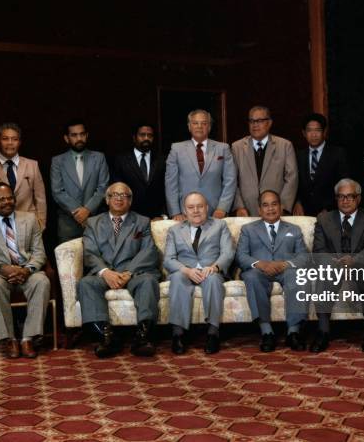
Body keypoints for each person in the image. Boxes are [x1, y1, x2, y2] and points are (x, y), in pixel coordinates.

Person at [77, 182, 160, 358]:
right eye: (115, 195)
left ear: (130, 201)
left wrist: (128, 272)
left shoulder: (142, 221)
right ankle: (107, 338)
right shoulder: (93, 223)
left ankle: (142, 338)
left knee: (148, 281)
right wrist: (106, 272)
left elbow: (149, 251)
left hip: (133, 272)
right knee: (86, 283)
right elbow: (90, 253)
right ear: (107, 200)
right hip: (105, 273)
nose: (119, 198)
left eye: (124, 196)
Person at [0, 183, 50, 358]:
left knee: (42, 280)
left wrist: (27, 270)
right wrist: (1, 268)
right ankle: (9, 339)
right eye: (1, 199)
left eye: (9, 198)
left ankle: (28, 338)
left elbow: (39, 253)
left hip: (27, 272)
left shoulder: (29, 219)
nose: (7, 202)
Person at [312, 178, 364, 352]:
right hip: (334, 266)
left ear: (358, 198)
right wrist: (333, 262)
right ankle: (323, 332)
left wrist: (355, 260)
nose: (345, 200)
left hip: (360, 265)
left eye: (350, 196)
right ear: (336, 199)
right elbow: (319, 249)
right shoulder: (324, 219)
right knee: (324, 275)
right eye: (341, 196)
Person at [236, 190, 309, 352]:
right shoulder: (248, 229)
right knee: (251, 277)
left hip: (285, 269)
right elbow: (241, 256)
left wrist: (285, 264)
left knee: (299, 276)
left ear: (281, 207)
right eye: (265, 205)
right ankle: (266, 332)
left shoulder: (294, 229)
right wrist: (259, 264)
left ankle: (293, 332)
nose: (270, 209)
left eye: (274, 204)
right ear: (259, 209)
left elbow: (304, 257)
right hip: (259, 270)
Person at [164, 192, 234, 354]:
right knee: (178, 279)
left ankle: (212, 332)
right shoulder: (174, 230)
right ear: (185, 211)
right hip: (184, 270)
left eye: (200, 206)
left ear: (207, 208)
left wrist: (215, 267)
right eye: (191, 207)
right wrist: (186, 270)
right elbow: (168, 259)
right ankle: (178, 334)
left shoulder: (219, 226)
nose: (196, 211)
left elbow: (228, 253)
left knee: (213, 280)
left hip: (210, 269)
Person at [165, 109, 236, 220]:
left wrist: (223, 208)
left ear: (209, 127)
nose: (199, 126)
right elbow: (171, 184)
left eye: (204, 123)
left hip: (215, 212)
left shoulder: (223, 148)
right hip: (185, 213)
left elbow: (230, 181)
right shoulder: (176, 149)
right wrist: (175, 212)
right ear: (189, 126)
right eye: (195, 123)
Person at [0, 123, 47, 229]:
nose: (10, 143)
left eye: (14, 139)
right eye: (5, 139)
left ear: (19, 142)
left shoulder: (32, 165)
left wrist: (41, 223)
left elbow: (40, 199)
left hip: (27, 225)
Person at [50, 119, 109, 243]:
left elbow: (103, 187)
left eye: (82, 134)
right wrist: (79, 213)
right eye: (74, 135)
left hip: (95, 222)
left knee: (97, 261)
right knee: (69, 262)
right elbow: (57, 192)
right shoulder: (57, 161)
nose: (79, 138)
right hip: (68, 225)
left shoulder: (99, 158)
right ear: (66, 138)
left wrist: (87, 210)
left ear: (87, 136)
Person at [232, 106, 298, 216]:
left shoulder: (285, 146)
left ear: (269, 123)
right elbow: (232, 181)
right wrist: (239, 206)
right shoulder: (236, 147)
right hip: (246, 212)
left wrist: (283, 206)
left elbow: (292, 178)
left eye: (260, 121)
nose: (255, 125)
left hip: (276, 211)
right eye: (251, 121)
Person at [293, 113, 349, 216]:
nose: (313, 135)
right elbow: (294, 183)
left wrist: (329, 209)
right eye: (309, 130)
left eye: (318, 130)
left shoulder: (338, 154)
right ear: (304, 133)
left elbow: (343, 184)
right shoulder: (298, 155)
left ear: (324, 132)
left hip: (331, 212)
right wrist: (297, 202)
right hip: (304, 213)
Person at [110, 122, 166, 219]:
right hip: (129, 218)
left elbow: (166, 189)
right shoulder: (121, 160)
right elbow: (117, 190)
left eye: (150, 135)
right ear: (134, 137)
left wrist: (163, 214)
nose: (146, 138)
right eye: (142, 135)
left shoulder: (161, 160)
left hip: (156, 218)